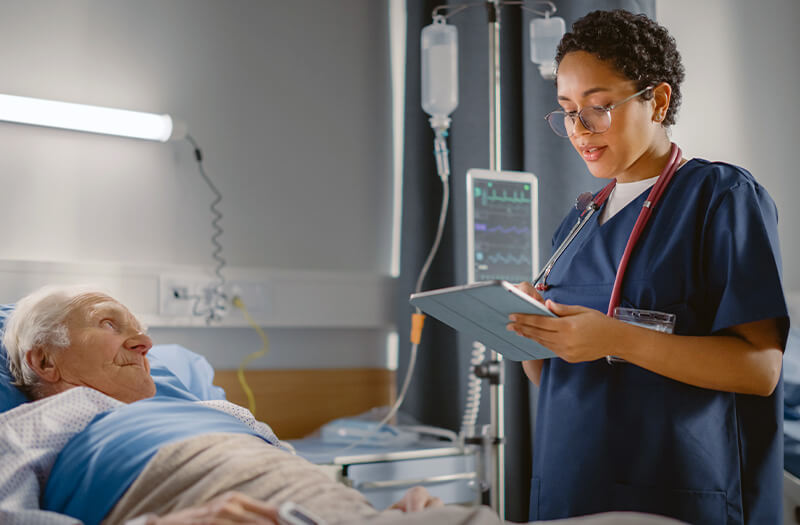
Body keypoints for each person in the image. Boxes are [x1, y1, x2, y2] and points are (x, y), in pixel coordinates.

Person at [1, 285, 682, 525]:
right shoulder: (31, 425)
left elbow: (297, 479)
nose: (144, 339)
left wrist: (383, 508)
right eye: (109, 323)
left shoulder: (222, 411)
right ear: (43, 360)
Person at [506, 9, 788, 525]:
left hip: (680, 491)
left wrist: (616, 338)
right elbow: (557, 378)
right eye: (567, 110)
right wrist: (530, 332)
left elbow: (761, 370)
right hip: (572, 484)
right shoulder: (578, 219)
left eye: (598, 107)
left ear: (656, 100)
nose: (579, 129)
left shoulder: (721, 196)